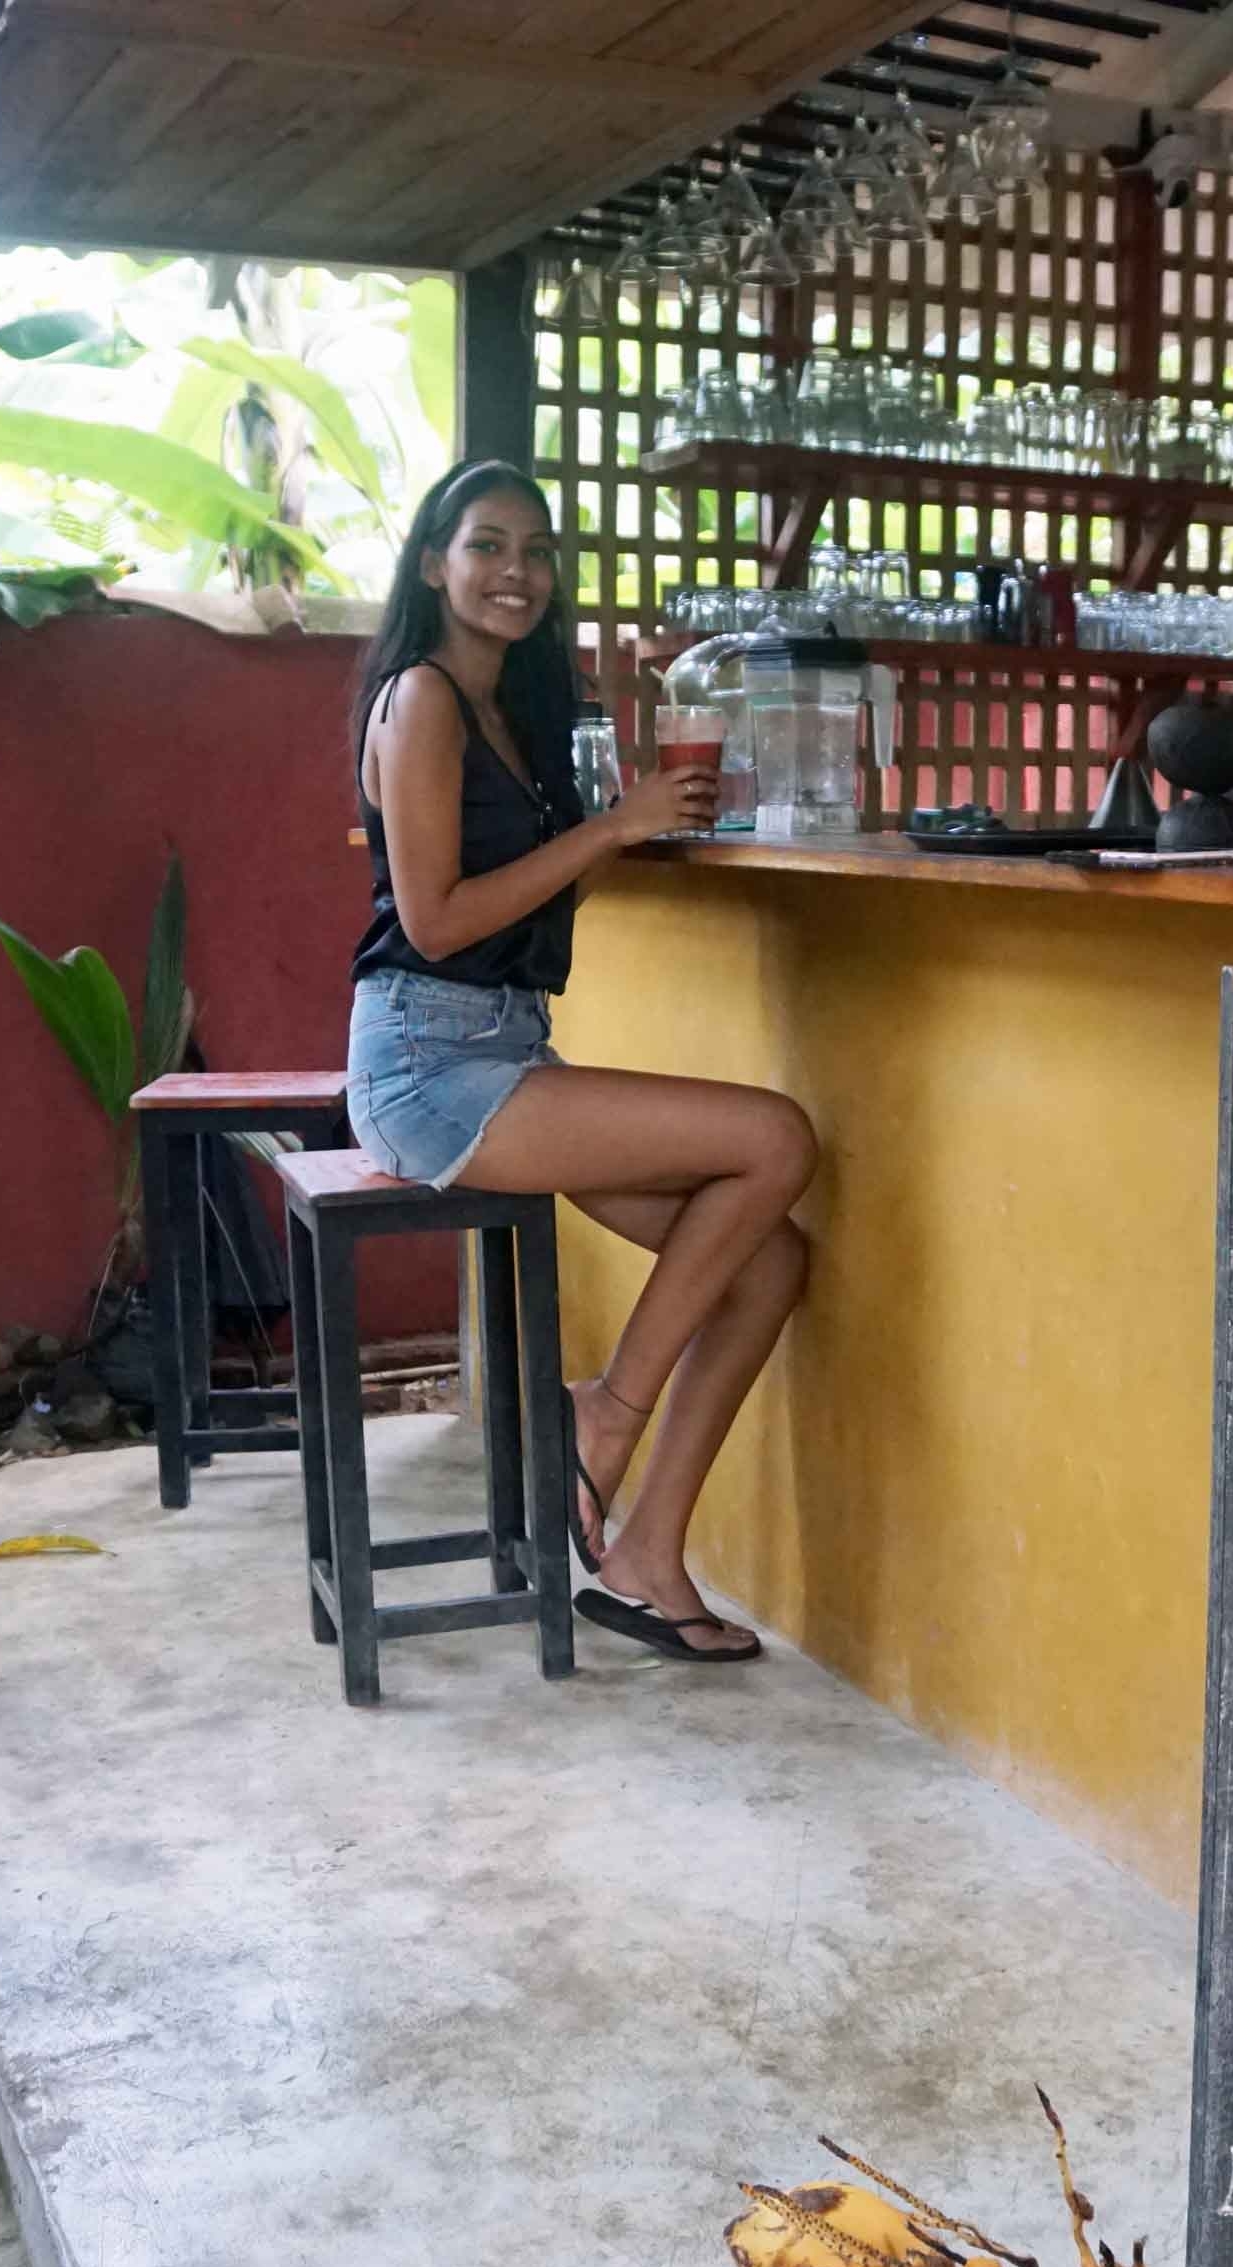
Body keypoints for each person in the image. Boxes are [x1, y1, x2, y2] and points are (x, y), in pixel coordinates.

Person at [344, 460, 817, 1663]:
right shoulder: (423, 698)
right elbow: (435, 922)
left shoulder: (514, 707)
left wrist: (634, 825)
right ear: (432, 563)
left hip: (504, 1044)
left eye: (537, 551)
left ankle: (646, 1548)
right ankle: (602, 1415)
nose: (516, 572)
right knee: (774, 1137)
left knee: (770, 1260)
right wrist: (611, 825)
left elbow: (523, 899)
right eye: (487, 545)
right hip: (426, 1065)